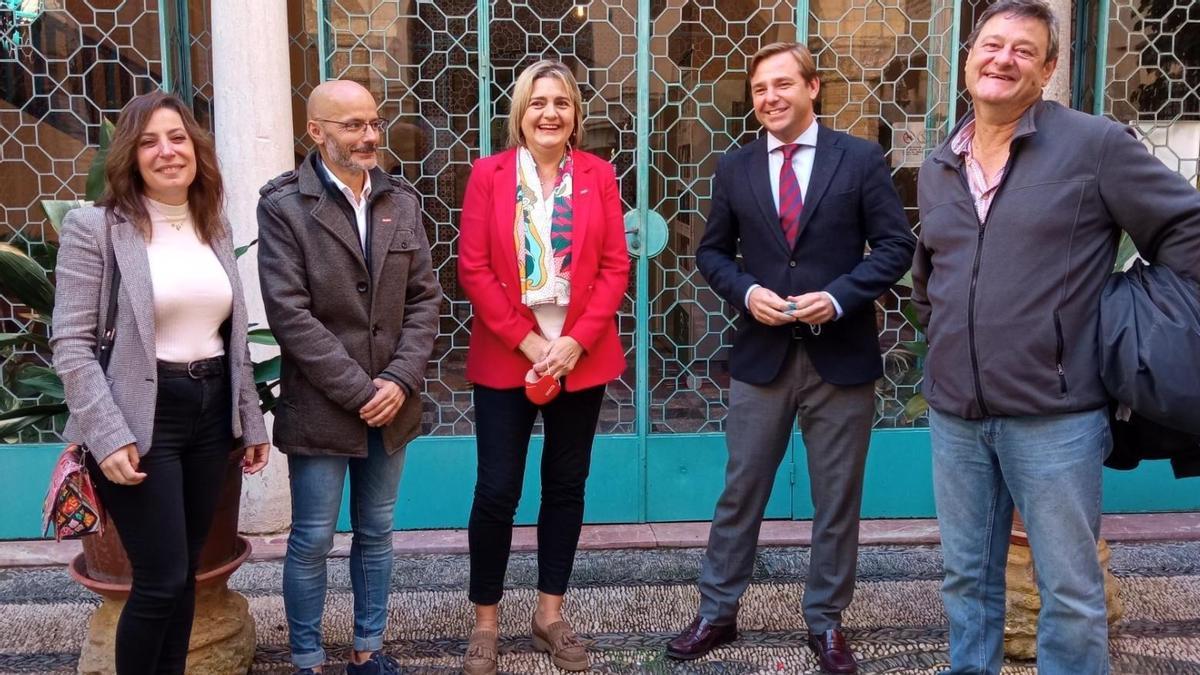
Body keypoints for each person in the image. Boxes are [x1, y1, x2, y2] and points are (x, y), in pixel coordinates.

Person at [911, 1, 1200, 673]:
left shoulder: (1092, 144)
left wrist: (1139, 307)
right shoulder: (939, 162)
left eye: (1022, 49)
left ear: (1047, 69)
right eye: (991, 44)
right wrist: (949, 336)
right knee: (964, 579)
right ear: (968, 58)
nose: (1002, 58)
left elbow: (1186, 228)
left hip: (1056, 416)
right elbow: (935, 268)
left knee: (1068, 590)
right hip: (957, 415)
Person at [667, 42, 915, 674]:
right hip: (762, 357)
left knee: (837, 498)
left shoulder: (858, 159)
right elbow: (712, 253)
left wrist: (839, 298)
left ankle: (826, 623)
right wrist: (747, 292)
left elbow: (893, 247)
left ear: (814, 89)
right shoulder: (736, 167)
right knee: (740, 491)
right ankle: (717, 612)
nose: (770, 98)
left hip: (842, 357)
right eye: (759, 89)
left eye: (782, 85)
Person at [51, 91, 270, 675]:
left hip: (209, 410)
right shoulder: (95, 228)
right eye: (149, 141)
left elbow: (233, 336)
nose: (167, 152)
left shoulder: (212, 226)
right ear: (130, 155)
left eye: (177, 138)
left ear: (196, 150)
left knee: (187, 578)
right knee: (159, 581)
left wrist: (249, 419)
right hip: (140, 418)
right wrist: (107, 433)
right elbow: (70, 342)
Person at [257, 80, 442, 675]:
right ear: (316, 131)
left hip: (394, 399)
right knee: (312, 536)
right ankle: (307, 657)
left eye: (373, 122)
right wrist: (363, 391)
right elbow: (289, 312)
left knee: (378, 531)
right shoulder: (285, 205)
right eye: (351, 125)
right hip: (323, 404)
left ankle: (369, 648)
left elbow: (425, 300)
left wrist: (400, 378)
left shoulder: (400, 201)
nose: (368, 136)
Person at [455, 59, 630, 675]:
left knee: (565, 485)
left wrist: (577, 340)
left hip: (580, 358)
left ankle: (549, 615)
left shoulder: (600, 176)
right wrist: (530, 344)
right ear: (520, 116)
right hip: (510, 355)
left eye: (561, 102)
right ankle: (486, 621)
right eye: (537, 103)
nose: (549, 113)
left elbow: (614, 267)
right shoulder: (488, 175)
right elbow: (472, 267)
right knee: (497, 489)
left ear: (575, 114)